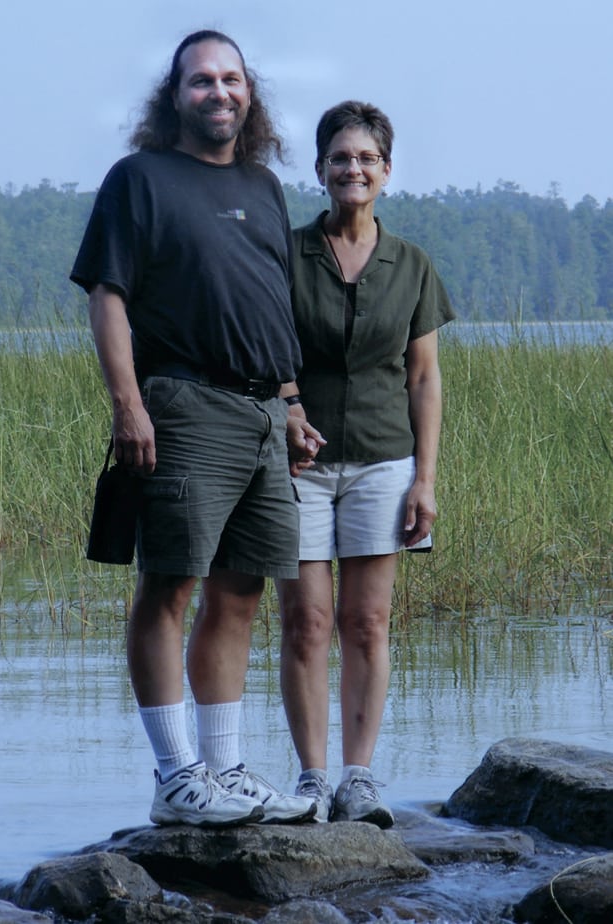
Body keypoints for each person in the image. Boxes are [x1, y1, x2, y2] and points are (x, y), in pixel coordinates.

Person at [70, 29, 324, 828]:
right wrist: (128, 402)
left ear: (250, 95)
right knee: (170, 585)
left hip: (260, 413)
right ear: (174, 96)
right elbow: (107, 294)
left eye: (232, 81)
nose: (220, 93)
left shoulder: (263, 184)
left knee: (242, 592)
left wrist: (290, 403)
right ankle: (177, 778)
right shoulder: (139, 179)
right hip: (182, 405)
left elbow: (270, 303)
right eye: (201, 82)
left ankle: (226, 769)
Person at [277, 101, 455, 827]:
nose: (354, 169)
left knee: (369, 620)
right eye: (340, 158)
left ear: (386, 170)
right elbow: (266, 349)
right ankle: (312, 779)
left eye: (367, 158)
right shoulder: (286, 254)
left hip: (385, 462)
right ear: (320, 169)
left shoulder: (410, 264)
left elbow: (423, 378)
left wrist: (426, 478)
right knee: (306, 623)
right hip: (297, 465)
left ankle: (359, 778)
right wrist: (287, 406)